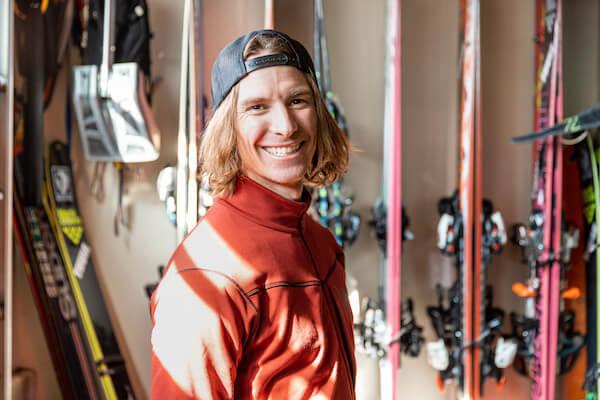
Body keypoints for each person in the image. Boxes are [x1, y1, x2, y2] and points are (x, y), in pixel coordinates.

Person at [150, 29, 355, 399]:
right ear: (228, 127)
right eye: (257, 107)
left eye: (298, 100)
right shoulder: (206, 275)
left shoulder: (321, 243)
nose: (285, 126)